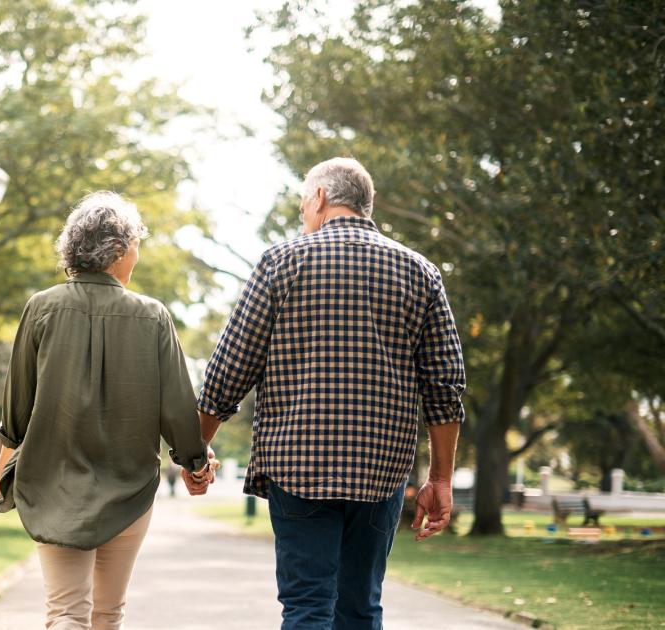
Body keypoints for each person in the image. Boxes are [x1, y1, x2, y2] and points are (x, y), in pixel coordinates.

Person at [191, 157, 466, 629]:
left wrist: (197, 450)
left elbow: (228, 372)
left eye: (303, 202)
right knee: (360, 607)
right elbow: (445, 387)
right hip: (380, 469)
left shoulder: (282, 264)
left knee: (307, 607)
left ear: (319, 198)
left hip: (298, 464)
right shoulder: (421, 272)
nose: (303, 213)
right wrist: (440, 479)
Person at [0, 191, 215, 630]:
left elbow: (17, 406)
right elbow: (177, 409)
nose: (138, 255)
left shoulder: (42, 308)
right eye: (136, 245)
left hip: (53, 482)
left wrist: (2, 468)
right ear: (117, 251)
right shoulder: (153, 316)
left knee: (65, 612)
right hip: (128, 489)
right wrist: (195, 464)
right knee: (108, 613)